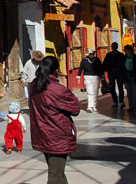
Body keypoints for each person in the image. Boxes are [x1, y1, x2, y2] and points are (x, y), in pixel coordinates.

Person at [29, 56, 80, 184]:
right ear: (56, 70)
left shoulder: (35, 85)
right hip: (58, 135)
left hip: (42, 133)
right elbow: (75, 109)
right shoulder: (57, 89)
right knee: (55, 174)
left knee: (58, 172)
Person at [118, 44, 136, 112]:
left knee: (135, 92)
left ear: (131, 50)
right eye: (125, 50)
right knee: (129, 93)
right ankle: (131, 107)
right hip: (127, 77)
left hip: (135, 77)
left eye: (128, 49)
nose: (127, 51)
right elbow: (121, 68)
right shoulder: (123, 59)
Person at [76, 48, 104, 112]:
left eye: (92, 54)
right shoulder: (84, 60)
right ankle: (90, 106)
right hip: (87, 77)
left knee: (95, 91)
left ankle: (94, 105)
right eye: (90, 54)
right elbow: (81, 68)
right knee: (90, 91)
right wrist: (78, 76)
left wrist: (102, 76)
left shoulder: (97, 60)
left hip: (96, 77)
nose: (91, 55)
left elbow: (100, 68)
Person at [102, 42, 125, 108]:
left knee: (120, 87)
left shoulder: (121, 55)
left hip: (119, 73)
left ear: (117, 47)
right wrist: (107, 70)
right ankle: (114, 101)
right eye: (113, 47)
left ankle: (121, 101)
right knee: (112, 87)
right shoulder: (109, 55)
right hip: (111, 73)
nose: (114, 48)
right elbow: (105, 64)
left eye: (115, 47)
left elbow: (123, 64)